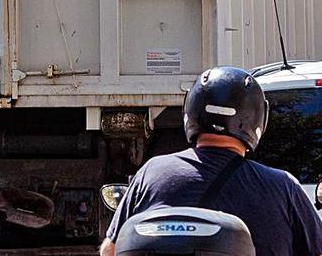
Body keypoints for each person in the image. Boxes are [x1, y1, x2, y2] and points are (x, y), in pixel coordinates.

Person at [100, 66, 322, 256]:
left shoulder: (151, 174)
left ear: (191, 111)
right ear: (257, 118)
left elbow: (110, 250)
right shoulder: (283, 187)